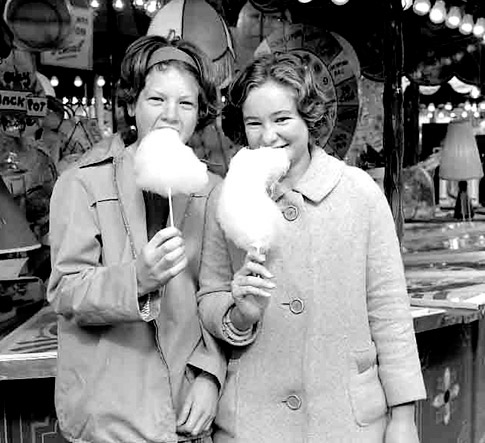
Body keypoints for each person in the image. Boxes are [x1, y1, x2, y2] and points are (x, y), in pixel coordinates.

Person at [197, 51, 426, 443]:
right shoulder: (227, 199)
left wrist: (403, 418)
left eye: (282, 119)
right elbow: (210, 296)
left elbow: (390, 312)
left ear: (309, 117)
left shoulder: (360, 194)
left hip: (347, 422)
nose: (268, 135)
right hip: (251, 424)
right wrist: (238, 314)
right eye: (254, 123)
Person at [47, 35, 226, 443]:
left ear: (200, 113)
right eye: (156, 99)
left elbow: (217, 296)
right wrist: (137, 280)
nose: (170, 115)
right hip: (109, 417)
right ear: (131, 103)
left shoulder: (210, 191)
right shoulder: (82, 184)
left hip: (184, 412)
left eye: (186, 103)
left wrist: (210, 375)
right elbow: (65, 291)